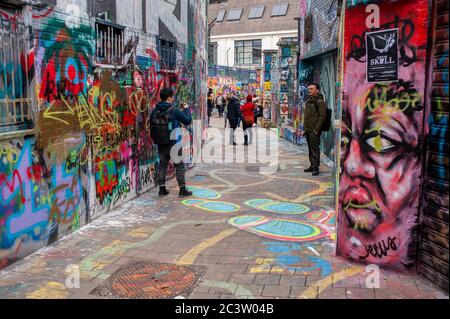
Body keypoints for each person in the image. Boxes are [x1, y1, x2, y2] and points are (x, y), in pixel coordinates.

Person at [150, 88, 193, 198]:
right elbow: (187, 120)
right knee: (179, 166)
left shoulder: (155, 111)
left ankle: (162, 189)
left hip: (161, 143)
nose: (173, 98)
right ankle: (182, 190)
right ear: (169, 97)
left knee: (163, 166)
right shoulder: (174, 110)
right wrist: (187, 109)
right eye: (172, 96)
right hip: (174, 143)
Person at [303, 83, 327, 176]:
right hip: (308, 129)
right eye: (309, 89)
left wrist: (316, 130)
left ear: (317, 90)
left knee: (315, 149)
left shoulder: (319, 102)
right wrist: (305, 129)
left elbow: (322, 116)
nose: (310, 90)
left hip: (314, 130)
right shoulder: (309, 101)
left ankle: (316, 168)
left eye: (312, 89)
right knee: (310, 149)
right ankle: (312, 166)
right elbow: (307, 116)